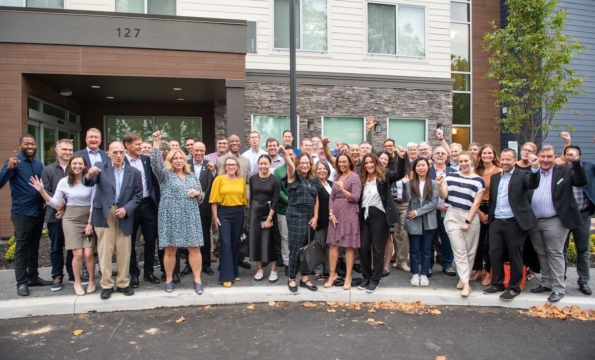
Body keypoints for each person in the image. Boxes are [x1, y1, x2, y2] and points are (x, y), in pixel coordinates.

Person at [29, 154, 97, 296]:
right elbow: (54, 202)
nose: (77, 166)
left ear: (84, 165)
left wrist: (90, 223)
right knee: (77, 254)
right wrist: (42, 191)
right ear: (70, 166)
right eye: (74, 164)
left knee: (89, 253)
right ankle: (77, 283)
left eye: (80, 164)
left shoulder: (90, 181)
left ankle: (91, 281)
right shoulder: (64, 182)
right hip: (71, 219)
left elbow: (93, 203)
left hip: (88, 217)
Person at [83, 141, 143, 300]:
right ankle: (107, 284)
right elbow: (88, 182)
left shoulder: (134, 172)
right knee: (105, 250)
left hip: (124, 212)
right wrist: (89, 174)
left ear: (125, 153)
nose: (118, 155)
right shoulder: (100, 168)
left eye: (121, 152)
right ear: (108, 154)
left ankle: (123, 283)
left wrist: (127, 209)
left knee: (124, 251)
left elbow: (138, 196)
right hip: (104, 212)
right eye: (114, 152)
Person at [528, 145, 587, 302]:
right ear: (538, 157)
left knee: (555, 253)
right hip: (534, 220)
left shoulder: (565, 171)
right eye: (543, 156)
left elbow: (581, 181)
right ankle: (547, 283)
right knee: (541, 252)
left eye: (549, 157)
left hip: (555, 220)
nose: (545, 160)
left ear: (555, 158)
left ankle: (559, 288)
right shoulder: (532, 171)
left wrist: (576, 162)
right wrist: (533, 169)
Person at [150, 131, 205, 294]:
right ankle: (168, 279)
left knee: (194, 248)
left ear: (185, 160)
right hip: (170, 216)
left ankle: (197, 279)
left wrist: (198, 193)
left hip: (191, 215)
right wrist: (156, 142)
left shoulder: (192, 176)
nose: (179, 160)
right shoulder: (165, 175)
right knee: (170, 250)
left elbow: (201, 196)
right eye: (175, 158)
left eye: (181, 158)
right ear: (170, 160)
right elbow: (154, 162)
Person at [483, 149, 540, 301]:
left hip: (514, 222)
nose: (505, 162)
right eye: (502, 159)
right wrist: (490, 216)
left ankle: (514, 287)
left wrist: (534, 168)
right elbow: (493, 200)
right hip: (496, 221)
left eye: (508, 159)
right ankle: (498, 283)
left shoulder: (523, 175)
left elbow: (533, 184)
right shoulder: (495, 178)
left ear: (515, 160)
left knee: (515, 255)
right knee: (493, 253)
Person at [0, 135, 52, 296]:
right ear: (20, 145)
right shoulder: (14, 162)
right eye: (26, 144)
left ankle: (33, 277)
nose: (30, 146)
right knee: (22, 248)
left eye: (32, 143)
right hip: (22, 212)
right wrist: (9, 168)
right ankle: (21, 282)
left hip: (38, 211)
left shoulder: (38, 164)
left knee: (34, 246)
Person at [358, 151, 407, 292]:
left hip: (379, 215)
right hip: (364, 215)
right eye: (366, 163)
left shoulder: (384, 175)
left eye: (371, 162)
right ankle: (366, 277)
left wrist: (402, 158)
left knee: (378, 249)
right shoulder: (362, 178)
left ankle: (375, 279)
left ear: (376, 163)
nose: (369, 165)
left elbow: (400, 174)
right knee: (363, 247)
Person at [438, 151, 485, 297]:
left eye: (466, 161)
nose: (463, 164)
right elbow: (444, 195)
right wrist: (439, 185)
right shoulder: (450, 176)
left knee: (470, 250)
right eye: (461, 161)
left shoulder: (479, 180)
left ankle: (463, 278)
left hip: (470, 216)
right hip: (452, 214)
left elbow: (476, 203)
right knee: (459, 250)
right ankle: (466, 284)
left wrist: (467, 221)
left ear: (472, 161)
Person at [278, 147, 319, 293]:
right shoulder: (293, 176)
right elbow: (289, 164)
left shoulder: (312, 180)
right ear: (298, 163)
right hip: (295, 215)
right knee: (296, 248)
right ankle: (292, 279)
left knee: (307, 248)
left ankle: (305, 278)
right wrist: (283, 152)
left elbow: (316, 199)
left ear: (311, 164)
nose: (305, 165)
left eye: (307, 162)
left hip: (309, 216)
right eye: (302, 162)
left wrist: (315, 216)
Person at [123, 132, 160, 288]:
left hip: (147, 205)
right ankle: (133, 274)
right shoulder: (121, 161)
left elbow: (153, 181)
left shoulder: (146, 160)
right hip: (130, 206)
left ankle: (149, 271)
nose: (140, 147)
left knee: (151, 239)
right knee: (131, 242)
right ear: (127, 145)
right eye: (137, 145)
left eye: (141, 144)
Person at [324, 152, 361, 290]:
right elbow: (331, 198)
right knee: (333, 245)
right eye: (340, 162)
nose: (342, 164)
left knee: (349, 246)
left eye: (344, 161)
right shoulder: (337, 176)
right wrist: (331, 214)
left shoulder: (355, 177)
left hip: (350, 213)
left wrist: (342, 189)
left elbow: (356, 197)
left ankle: (348, 276)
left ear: (350, 162)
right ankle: (332, 274)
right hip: (336, 215)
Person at [42, 139, 75, 291]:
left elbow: (78, 189)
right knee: (56, 246)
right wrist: (58, 205)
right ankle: (57, 275)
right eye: (64, 149)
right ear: (56, 150)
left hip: (72, 214)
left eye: (70, 150)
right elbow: (46, 190)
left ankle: (72, 273)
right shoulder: (47, 170)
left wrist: (64, 203)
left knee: (72, 246)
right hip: (54, 215)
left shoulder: (75, 168)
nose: (68, 152)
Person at [210, 156, 248, 288]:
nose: (231, 167)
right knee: (225, 243)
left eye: (233, 165)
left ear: (237, 166)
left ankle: (234, 271)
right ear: (224, 167)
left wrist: (243, 218)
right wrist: (216, 217)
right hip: (223, 213)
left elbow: (244, 202)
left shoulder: (242, 181)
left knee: (234, 242)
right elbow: (214, 200)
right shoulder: (219, 179)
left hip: (238, 213)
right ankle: (226, 276)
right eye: (228, 165)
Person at [562, 144, 594, 295]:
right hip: (565, 216)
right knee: (561, 249)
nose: (570, 156)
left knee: (583, 250)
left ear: (579, 156)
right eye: (568, 154)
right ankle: (560, 278)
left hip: (583, 214)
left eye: (573, 154)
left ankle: (583, 281)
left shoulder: (587, 167)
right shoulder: (560, 170)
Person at [469, 144, 501, 286]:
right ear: (480, 155)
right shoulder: (475, 172)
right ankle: (478, 269)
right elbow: (471, 195)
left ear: (494, 155)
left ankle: (489, 272)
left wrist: (490, 213)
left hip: (494, 208)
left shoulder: (499, 171)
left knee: (491, 243)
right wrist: (480, 213)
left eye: (489, 153)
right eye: (484, 153)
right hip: (477, 209)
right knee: (477, 242)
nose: (487, 156)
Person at [404, 158, 438, 287]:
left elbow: (433, 203)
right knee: (414, 249)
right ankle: (414, 274)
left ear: (428, 167)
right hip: (414, 221)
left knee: (427, 249)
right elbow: (406, 199)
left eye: (423, 165)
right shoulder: (410, 183)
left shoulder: (433, 184)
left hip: (428, 220)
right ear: (415, 168)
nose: (421, 168)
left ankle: (424, 273)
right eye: (418, 166)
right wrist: (404, 185)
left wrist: (417, 212)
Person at [249, 154, 281, 283]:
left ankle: (273, 271)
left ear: (270, 164)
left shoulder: (275, 180)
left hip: (269, 213)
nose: (263, 166)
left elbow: (275, 200)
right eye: (261, 163)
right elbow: (251, 198)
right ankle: (259, 269)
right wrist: (250, 217)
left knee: (270, 241)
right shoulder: (253, 179)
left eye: (265, 163)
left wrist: (269, 219)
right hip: (255, 214)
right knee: (256, 241)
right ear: (258, 164)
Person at [155, 141, 181, 284]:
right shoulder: (161, 170)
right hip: (159, 207)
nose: (163, 154)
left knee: (174, 243)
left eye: (165, 152)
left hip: (175, 209)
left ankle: (175, 272)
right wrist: (155, 143)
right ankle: (166, 272)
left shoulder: (177, 171)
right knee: (164, 243)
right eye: (160, 152)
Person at [379, 151, 408, 275]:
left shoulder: (388, 173)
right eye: (381, 158)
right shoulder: (368, 172)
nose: (384, 161)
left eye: (386, 159)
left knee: (390, 238)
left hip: (389, 209)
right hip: (373, 211)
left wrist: (402, 158)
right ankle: (375, 264)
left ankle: (390, 264)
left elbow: (400, 174)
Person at [189, 142, 216, 276]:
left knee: (205, 235)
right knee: (189, 236)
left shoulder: (209, 165)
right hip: (188, 206)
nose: (199, 153)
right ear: (192, 151)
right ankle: (189, 265)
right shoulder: (185, 164)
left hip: (205, 206)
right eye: (196, 150)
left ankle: (206, 264)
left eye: (202, 151)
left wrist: (214, 171)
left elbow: (215, 183)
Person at [429, 147, 457, 277]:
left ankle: (447, 265)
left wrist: (447, 204)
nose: (440, 155)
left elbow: (455, 192)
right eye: (437, 153)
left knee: (447, 239)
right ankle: (428, 266)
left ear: (447, 157)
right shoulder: (427, 171)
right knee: (430, 239)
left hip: (448, 210)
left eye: (443, 154)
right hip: (431, 211)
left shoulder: (454, 172)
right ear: (433, 156)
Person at [516, 141, 541, 279]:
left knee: (532, 243)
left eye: (530, 151)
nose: (527, 152)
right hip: (516, 209)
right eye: (525, 150)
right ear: (521, 151)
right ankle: (520, 267)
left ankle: (531, 268)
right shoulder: (513, 167)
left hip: (532, 209)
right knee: (520, 243)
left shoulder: (535, 168)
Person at [273, 146, 296, 272]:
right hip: (283, 209)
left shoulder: (299, 169)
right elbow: (279, 191)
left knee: (298, 236)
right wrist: (289, 200)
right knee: (285, 237)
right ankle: (287, 262)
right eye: (287, 154)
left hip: (299, 210)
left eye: (291, 154)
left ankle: (297, 260)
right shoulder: (278, 171)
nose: (290, 156)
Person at [313, 160, 333, 281]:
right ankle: (318, 270)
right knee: (319, 245)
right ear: (315, 171)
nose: (322, 171)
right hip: (319, 218)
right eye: (319, 169)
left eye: (324, 168)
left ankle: (328, 268)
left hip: (331, 218)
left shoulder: (332, 184)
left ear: (328, 170)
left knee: (330, 246)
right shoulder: (314, 184)